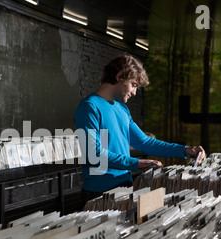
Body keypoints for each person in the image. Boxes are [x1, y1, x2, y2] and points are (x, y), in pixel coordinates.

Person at [74, 54, 205, 204]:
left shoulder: (122, 108)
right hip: (98, 193)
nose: (134, 92)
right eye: (134, 85)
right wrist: (137, 163)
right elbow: (94, 153)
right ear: (119, 77)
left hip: (125, 187)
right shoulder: (89, 107)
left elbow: (144, 142)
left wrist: (185, 150)